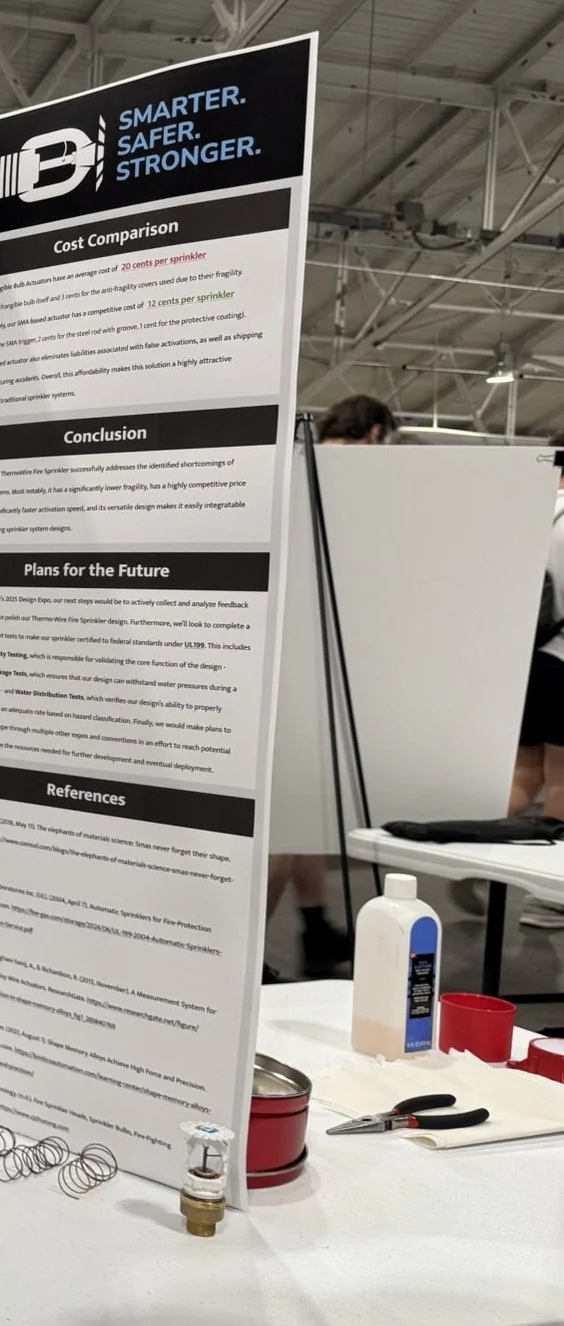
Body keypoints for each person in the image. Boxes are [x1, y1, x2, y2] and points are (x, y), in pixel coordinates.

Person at [266, 395, 401, 978]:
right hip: (323, 662)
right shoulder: (360, 478)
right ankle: (241, 953)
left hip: (289, 655)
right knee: (289, 818)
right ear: (375, 433)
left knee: (303, 814)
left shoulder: (299, 466)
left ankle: (316, 925)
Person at [510, 435, 564, 928]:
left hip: (532, 660)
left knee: (524, 773)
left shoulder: (539, 511)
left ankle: (478, 868)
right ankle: (547, 897)